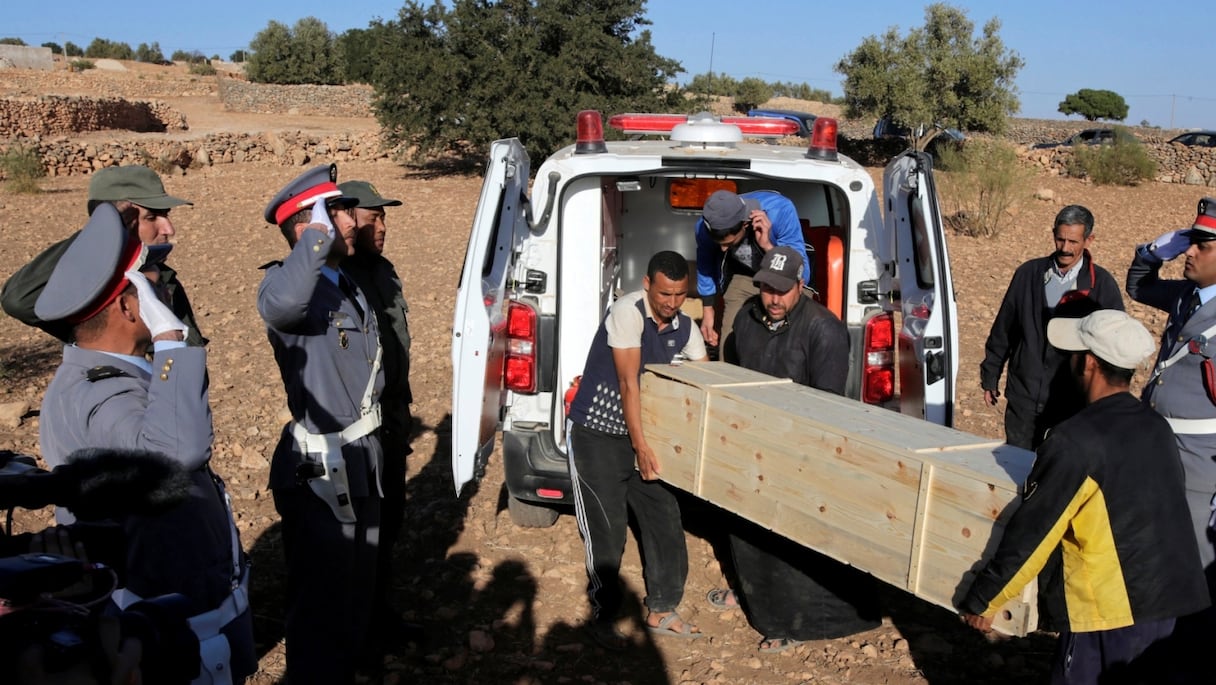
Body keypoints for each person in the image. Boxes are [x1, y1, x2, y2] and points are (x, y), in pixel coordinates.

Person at [32, 203, 255, 684]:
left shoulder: (91, 375)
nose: (166, 287)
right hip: (168, 638)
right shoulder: (104, 393)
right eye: (153, 281)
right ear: (130, 306)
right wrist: (172, 339)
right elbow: (178, 456)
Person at [961, 309, 1209, 684]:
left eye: (1074, 353)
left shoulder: (1075, 441)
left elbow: (1034, 534)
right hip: (1172, 603)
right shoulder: (1155, 426)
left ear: (1089, 362)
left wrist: (984, 600)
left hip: (1114, 612)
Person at [709, 246, 881, 652]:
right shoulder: (747, 319)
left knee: (790, 537)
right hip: (753, 443)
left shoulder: (823, 328)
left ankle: (788, 620)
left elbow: (826, 404)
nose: (773, 298)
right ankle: (752, 594)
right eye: (767, 288)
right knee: (745, 527)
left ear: (800, 286)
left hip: (798, 449)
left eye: (782, 290)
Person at [257, 163, 385, 684]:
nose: (351, 220)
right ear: (306, 224)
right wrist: (314, 238)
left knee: (356, 583)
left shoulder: (340, 280)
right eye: (335, 212)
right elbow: (282, 305)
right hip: (322, 462)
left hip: (360, 455)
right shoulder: (288, 285)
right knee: (321, 597)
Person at [566, 250, 709, 650]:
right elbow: (630, 384)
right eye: (664, 293)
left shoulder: (685, 327)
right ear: (647, 284)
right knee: (607, 531)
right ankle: (604, 614)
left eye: (680, 295)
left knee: (664, 518)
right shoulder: (628, 313)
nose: (671, 303)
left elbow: (703, 379)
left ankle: (662, 607)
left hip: (645, 435)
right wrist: (641, 447)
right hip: (598, 434)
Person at [1126, 196, 1216, 680]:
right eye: (1191, 242)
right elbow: (1138, 285)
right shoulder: (1187, 296)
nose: (1191, 252)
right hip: (1159, 448)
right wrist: (1154, 249)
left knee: (1197, 574)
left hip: (1202, 465)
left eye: (1201, 245)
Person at [337, 179, 418, 640]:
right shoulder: (337, 279)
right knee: (356, 531)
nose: (382, 226)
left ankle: (378, 613)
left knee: (388, 523)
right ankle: (353, 627)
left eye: (384, 218)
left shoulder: (383, 272)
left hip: (391, 419)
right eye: (373, 219)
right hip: (356, 425)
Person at [1, 164, 207, 346]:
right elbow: (17, 301)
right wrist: (99, 234)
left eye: (166, 215)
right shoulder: (90, 291)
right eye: (152, 217)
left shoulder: (163, 281)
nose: (169, 230)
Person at [980, 204, 1123, 450]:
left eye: (1073, 242)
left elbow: (1115, 347)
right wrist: (990, 375)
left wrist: (1108, 401)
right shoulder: (1028, 274)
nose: (1065, 248)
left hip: (1070, 405)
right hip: (1023, 398)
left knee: (1059, 477)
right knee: (1017, 468)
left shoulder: (1103, 286)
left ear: (1089, 240)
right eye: (1060, 239)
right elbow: (1004, 328)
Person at [694, 189, 809, 351]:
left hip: (787, 280)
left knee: (789, 346)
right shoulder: (704, 225)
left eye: (729, 243)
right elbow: (704, 263)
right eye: (718, 243)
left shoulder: (780, 211)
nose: (723, 249)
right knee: (729, 344)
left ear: (745, 224)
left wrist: (768, 246)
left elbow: (801, 271)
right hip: (744, 277)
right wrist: (708, 312)